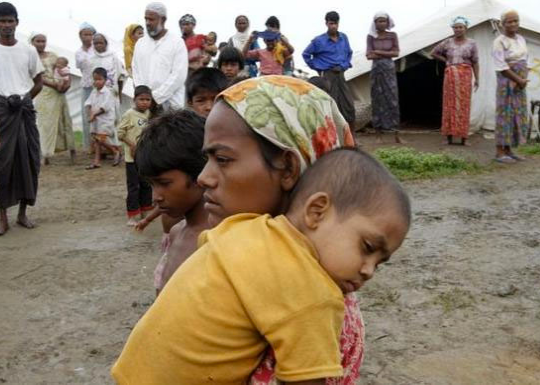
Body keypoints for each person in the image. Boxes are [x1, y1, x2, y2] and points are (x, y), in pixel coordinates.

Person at [113, 146, 411, 384]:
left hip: (132, 370)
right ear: (317, 211)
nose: (368, 270)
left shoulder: (246, 227)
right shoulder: (313, 293)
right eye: (367, 248)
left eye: (379, 263)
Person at [197, 76, 362, 384]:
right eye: (206, 159)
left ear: (288, 168)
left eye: (222, 159)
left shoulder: (306, 311)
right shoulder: (251, 272)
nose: (203, 178)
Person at [0, 2, 44, 236]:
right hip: (2, 111)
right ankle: (3, 216)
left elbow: (39, 81)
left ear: (17, 22)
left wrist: (25, 98)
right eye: (2, 21)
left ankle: (23, 214)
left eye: (10, 21)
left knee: (29, 160)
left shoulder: (28, 50)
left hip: (24, 110)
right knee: (3, 163)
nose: (7, 25)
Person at [133, 110, 210, 295]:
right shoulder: (176, 233)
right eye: (151, 184)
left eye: (164, 183)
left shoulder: (215, 242)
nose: (156, 197)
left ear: (201, 172)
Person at [432, 16, 479, 146]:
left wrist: (477, 78)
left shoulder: (472, 43)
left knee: (464, 106)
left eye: (461, 27)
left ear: (466, 28)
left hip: (465, 76)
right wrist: (446, 61)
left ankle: (464, 139)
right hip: (451, 76)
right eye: (456, 27)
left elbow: (475, 62)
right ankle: (449, 138)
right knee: (449, 105)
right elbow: (434, 53)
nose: (458, 29)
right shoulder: (447, 42)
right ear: (453, 28)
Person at [303, 11, 356, 128]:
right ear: (326, 23)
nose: (334, 26)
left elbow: (349, 54)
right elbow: (306, 54)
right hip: (327, 76)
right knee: (330, 106)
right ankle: (332, 138)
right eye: (331, 23)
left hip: (341, 74)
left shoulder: (344, 38)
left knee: (348, 106)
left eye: (336, 23)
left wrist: (344, 66)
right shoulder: (319, 41)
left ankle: (351, 138)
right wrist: (318, 67)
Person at [132, 2, 188, 111]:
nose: (147, 23)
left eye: (151, 19)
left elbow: (178, 75)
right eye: (146, 19)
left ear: (163, 20)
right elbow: (136, 71)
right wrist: (144, 95)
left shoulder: (176, 42)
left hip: (171, 106)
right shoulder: (140, 43)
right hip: (145, 106)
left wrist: (156, 97)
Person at [30, 33, 75, 165]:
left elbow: (64, 69)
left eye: (43, 41)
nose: (41, 44)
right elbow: (35, 76)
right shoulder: (30, 58)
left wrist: (66, 83)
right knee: (45, 123)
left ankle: (72, 151)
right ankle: (46, 154)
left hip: (58, 92)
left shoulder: (53, 56)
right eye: (38, 41)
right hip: (42, 92)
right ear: (32, 42)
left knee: (64, 120)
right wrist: (53, 84)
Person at [492, 10, 529, 163]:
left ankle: (510, 150)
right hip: (506, 82)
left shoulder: (521, 39)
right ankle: (500, 152)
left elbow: (526, 60)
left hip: (520, 81)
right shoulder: (499, 41)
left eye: (516, 20)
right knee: (504, 114)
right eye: (509, 21)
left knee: (516, 115)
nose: (513, 24)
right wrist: (517, 80)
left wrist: (524, 79)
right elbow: (501, 66)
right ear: (503, 24)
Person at [117, 85, 154, 224]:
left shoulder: (149, 114)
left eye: (147, 99)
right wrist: (132, 144)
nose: (144, 102)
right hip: (131, 158)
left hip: (144, 157)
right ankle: (132, 215)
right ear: (134, 100)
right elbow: (120, 133)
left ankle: (145, 211)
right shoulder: (129, 114)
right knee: (134, 186)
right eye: (141, 99)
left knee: (146, 184)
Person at [367, 12, 403, 144]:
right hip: (376, 70)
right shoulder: (371, 37)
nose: (381, 23)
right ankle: (378, 134)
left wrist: (378, 52)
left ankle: (396, 134)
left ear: (388, 22)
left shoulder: (392, 35)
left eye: (384, 21)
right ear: (375, 23)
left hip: (389, 70)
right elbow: (368, 55)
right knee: (377, 99)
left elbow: (396, 52)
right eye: (379, 21)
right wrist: (386, 54)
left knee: (393, 99)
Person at [84, 67, 122, 169]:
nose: (97, 82)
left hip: (105, 120)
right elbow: (88, 103)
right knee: (97, 141)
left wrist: (94, 115)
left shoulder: (108, 93)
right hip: (96, 121)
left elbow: (105, 107)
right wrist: (90, 113)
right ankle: (97, 161)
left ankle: (115, 151)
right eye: (95, 79)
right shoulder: (93, 92)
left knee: (100, 139)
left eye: (99, 79)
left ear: (105, 80)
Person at [75, 22, 96, 152]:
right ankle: (90, 146)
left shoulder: (98, 49)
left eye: (90, 34)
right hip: (86, 86)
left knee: (100, 116)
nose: (88, 37)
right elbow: (80, 68)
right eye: (85, 34)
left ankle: (102, 146)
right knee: (87, 115)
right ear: (80, 35)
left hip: (98, 86)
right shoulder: (78, 52)